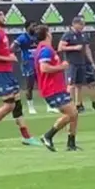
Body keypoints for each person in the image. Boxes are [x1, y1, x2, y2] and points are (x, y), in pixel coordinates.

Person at [0, 9, 41, 147]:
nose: (4, 17)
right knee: (9, 105)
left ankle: (26, 137)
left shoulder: (0, 32)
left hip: (7, 72)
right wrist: (8, 57)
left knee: (17, 105)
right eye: (0, 14)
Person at [33, 24, 80, 152]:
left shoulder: (45, 49)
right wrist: (62, 67)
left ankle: (71, 143)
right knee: (72, 113)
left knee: (74, 113)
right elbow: (44, 68)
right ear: (48, 34)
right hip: (52, 89)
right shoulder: (45, 50)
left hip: (57, 87)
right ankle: (48, 135)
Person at [60, 17, 95, 112]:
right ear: (75, 24)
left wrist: (91, 62)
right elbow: (60, 47)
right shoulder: (67, 35)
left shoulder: (83, 35)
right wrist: (74, 47)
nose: (83, 26)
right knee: (71, 85)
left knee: (79, 85)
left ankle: (79, 104)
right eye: (81, 24)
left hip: (81, 62)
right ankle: (70, 104)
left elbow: (87, 49)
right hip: (71, 63)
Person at [13, 24, 40, 115]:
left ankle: (49, 106)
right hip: (28, 63)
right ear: (28, 27)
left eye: (36, 26)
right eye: (33, 26)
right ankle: (30, 107)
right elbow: (12, 47)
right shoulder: (22, 38)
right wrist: (14, 53)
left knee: (44, 84)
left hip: (39, 62)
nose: (35, 28)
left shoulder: (38, 36)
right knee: (30, 85)